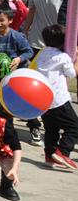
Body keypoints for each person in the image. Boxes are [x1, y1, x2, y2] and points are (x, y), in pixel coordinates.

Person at [20, 0, 68, 144]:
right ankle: (34, 126)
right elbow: (32, 10)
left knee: (53, 88)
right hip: (34, 44)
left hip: (55, 47)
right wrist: (25, 31)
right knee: (31, 86)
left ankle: (54, 127)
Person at [33, 24, 78, 170]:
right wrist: (76, 59)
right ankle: (62, 152)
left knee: (51, 129)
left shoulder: (41, 54)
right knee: (74, 127)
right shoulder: (63, 57)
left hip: (43, 99)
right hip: (59, 100)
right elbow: (72, 74)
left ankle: (49, 156)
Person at [0, 0, 34, 69]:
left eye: (2, 20)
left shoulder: (17, 36)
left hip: (16, 70)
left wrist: (19, 59)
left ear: (10, 20)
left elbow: (29, 52)